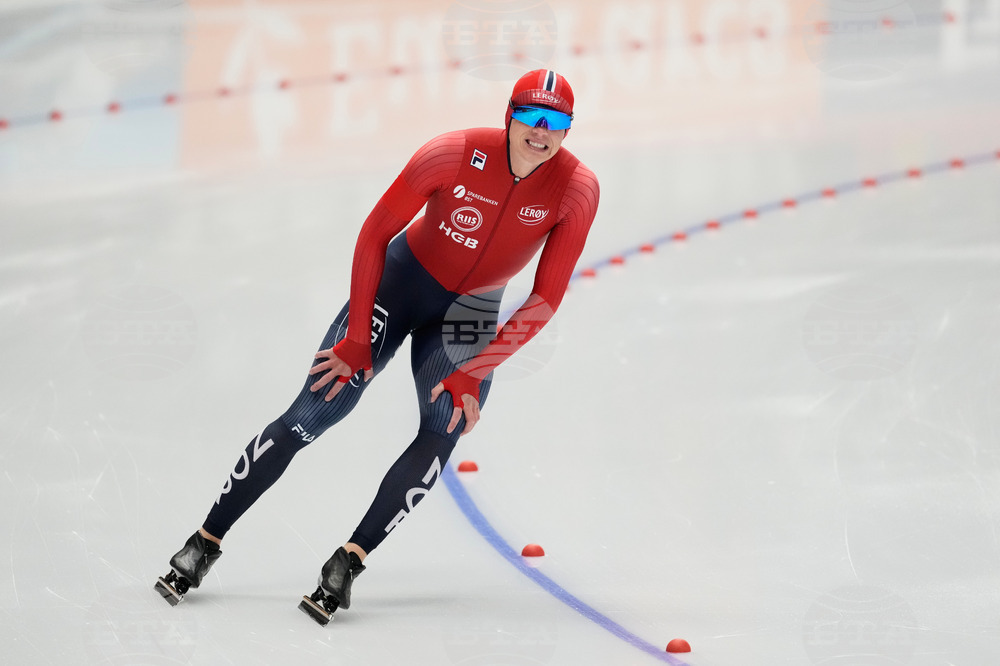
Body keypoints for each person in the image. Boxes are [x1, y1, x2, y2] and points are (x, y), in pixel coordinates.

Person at [154, 69, 600, 624]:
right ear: (509, 114)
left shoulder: (577, 191)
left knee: (445, 423)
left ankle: (348, 561)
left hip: (467, 317)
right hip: (399, 286)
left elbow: (545, 297)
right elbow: (374, 233)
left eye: (557, 122)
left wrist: (477, 369)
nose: (542, 131)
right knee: (310, 414)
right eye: (532, 116)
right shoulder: (451, 154)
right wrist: (359, 336)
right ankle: (204, 541)